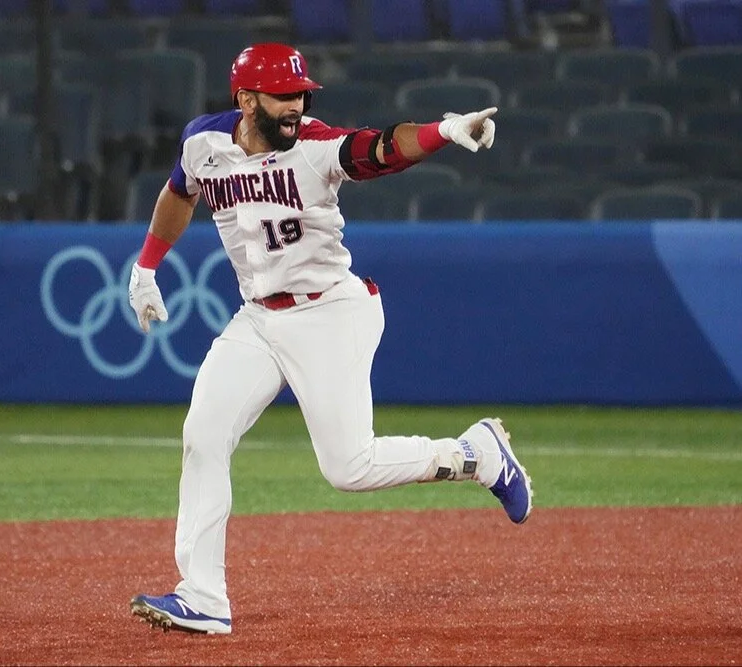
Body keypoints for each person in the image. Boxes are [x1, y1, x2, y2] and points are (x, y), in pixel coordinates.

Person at [127, 43, 532, 636]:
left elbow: (380, 148)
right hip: (258, 319)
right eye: (283, 95)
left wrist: (445, 129)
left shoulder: (315, 148)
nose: (296, 105)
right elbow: (179, 193)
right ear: (244, 98)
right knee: (204, 436)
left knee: (349, 467)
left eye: (301, 94)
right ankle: (205, 596)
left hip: (331, 314)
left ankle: (475, 454)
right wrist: (146, 266)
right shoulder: (203, 143)